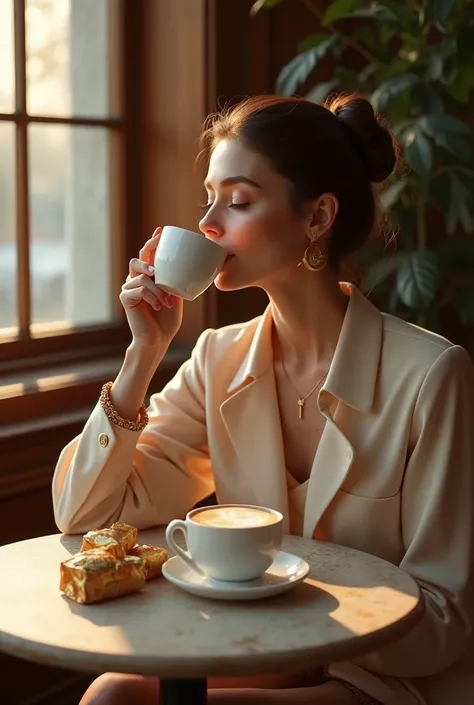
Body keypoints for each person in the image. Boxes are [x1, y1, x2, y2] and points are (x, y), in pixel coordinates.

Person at [52, 93, 474, 705]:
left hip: (387, 676)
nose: (209, 223)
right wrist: (143, 353)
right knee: (112, 694)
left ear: (317, 218)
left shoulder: (432, 375)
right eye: (209, 199)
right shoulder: (219, 359)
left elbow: (442, 621)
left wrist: (282, 604)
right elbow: (86, 516)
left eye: (239, 200)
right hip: (269, 650)